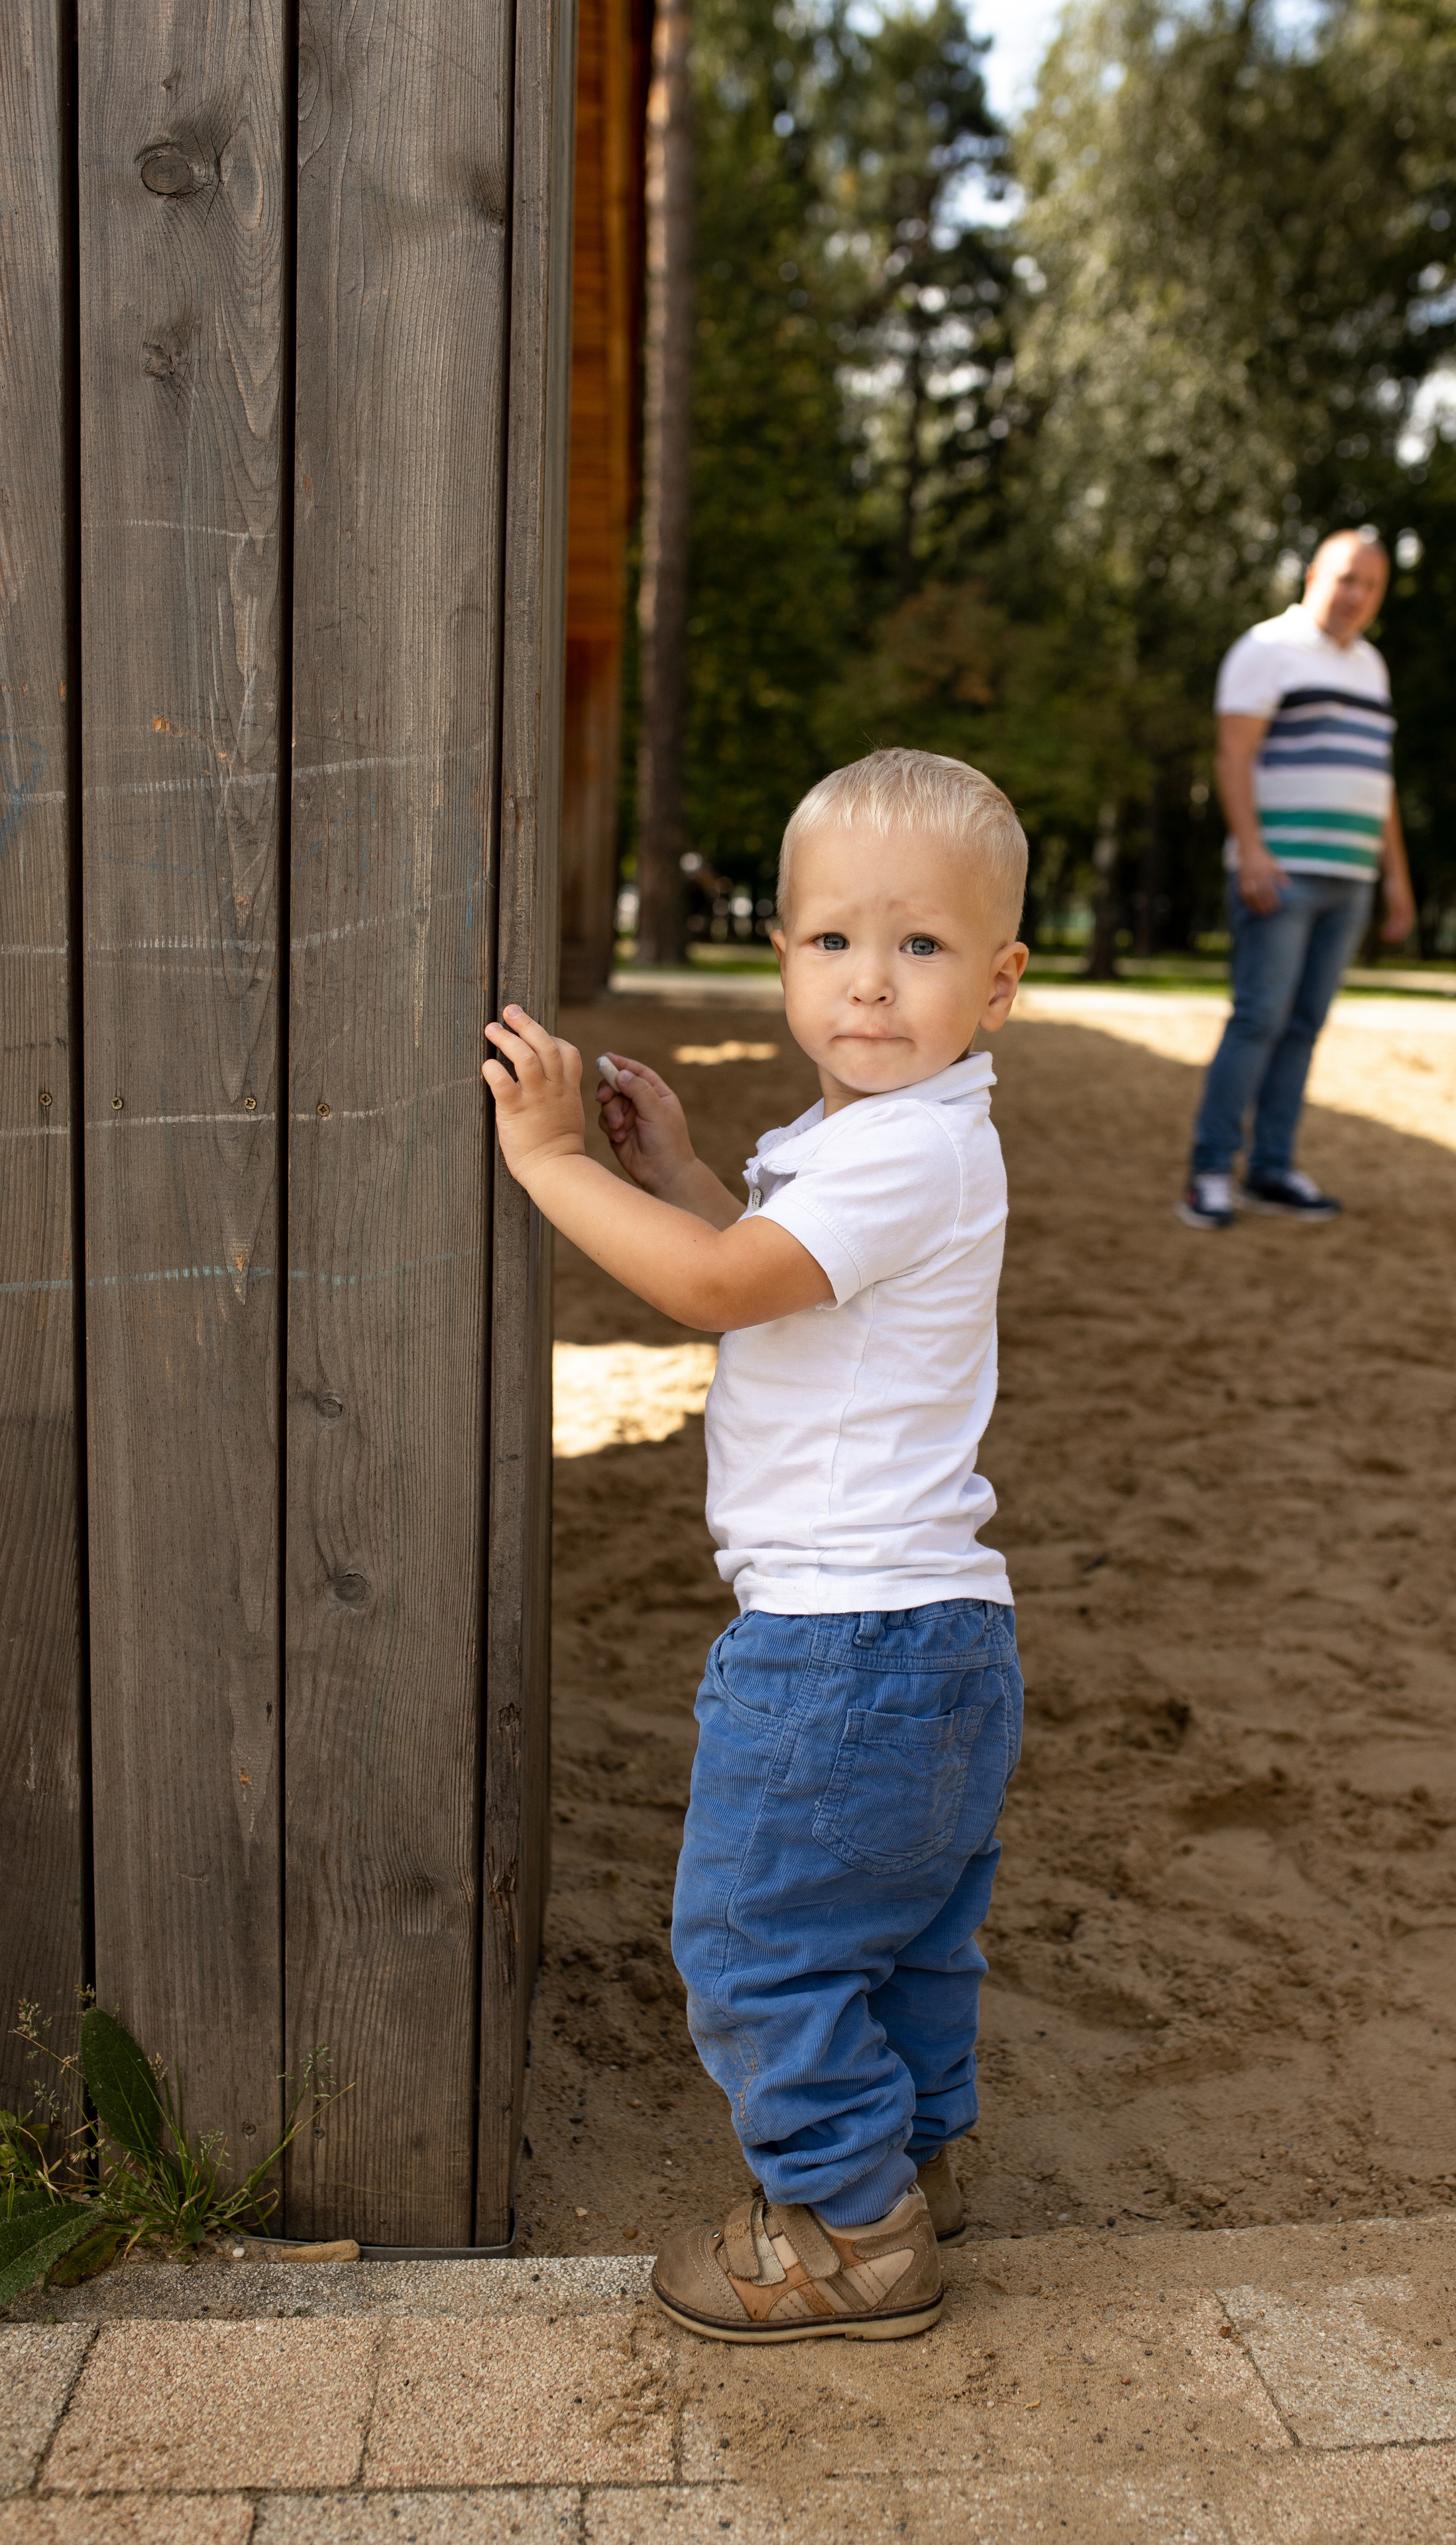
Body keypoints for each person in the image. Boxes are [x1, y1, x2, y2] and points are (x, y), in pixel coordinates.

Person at [483, 748, 1029, 2344]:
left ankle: (851, 2230)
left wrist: (553, 1163)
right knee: (906, 1933)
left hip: (837, 1646)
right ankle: (911, 2160)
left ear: (996, 984)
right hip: (935, 1635)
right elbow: (775, 1265)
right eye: (832, 942)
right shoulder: (883, 1130)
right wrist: (677, 1174)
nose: (871, 982)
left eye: (919, 947)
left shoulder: (903, 1147)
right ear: (781, 953)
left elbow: (719, 1291)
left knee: (754, 1939)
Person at [1178, 529, 1416, 1230]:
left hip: (1350, 875)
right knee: (1258, 1019)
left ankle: (1272, 1169)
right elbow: (1231, 757)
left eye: (1369, 585)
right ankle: (1209, 1173)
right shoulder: (1266, 650)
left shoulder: (1371, 667)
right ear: (1313, 574)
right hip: (1279, 872)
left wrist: (1396, 877)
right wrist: (1249, 849)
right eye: (1345, 578)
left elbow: (1379, 782)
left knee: (1305, 1027)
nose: (1355, 595)